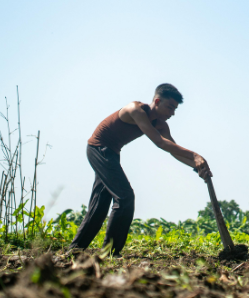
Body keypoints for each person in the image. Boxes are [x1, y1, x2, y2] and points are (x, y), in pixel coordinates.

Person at [68, 83, 212, 256]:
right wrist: (196, 155)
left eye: (175, 109)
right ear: (157, 101)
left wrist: (197, 166)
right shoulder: (136, 110)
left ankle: (75, 250)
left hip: (112, 154)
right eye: (170, 107)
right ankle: (110, 252)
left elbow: (172, 149)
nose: (172, 113)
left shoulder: (161, 125)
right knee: (125, 197)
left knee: (100, 204)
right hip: (99, 149)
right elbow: (160, 142)